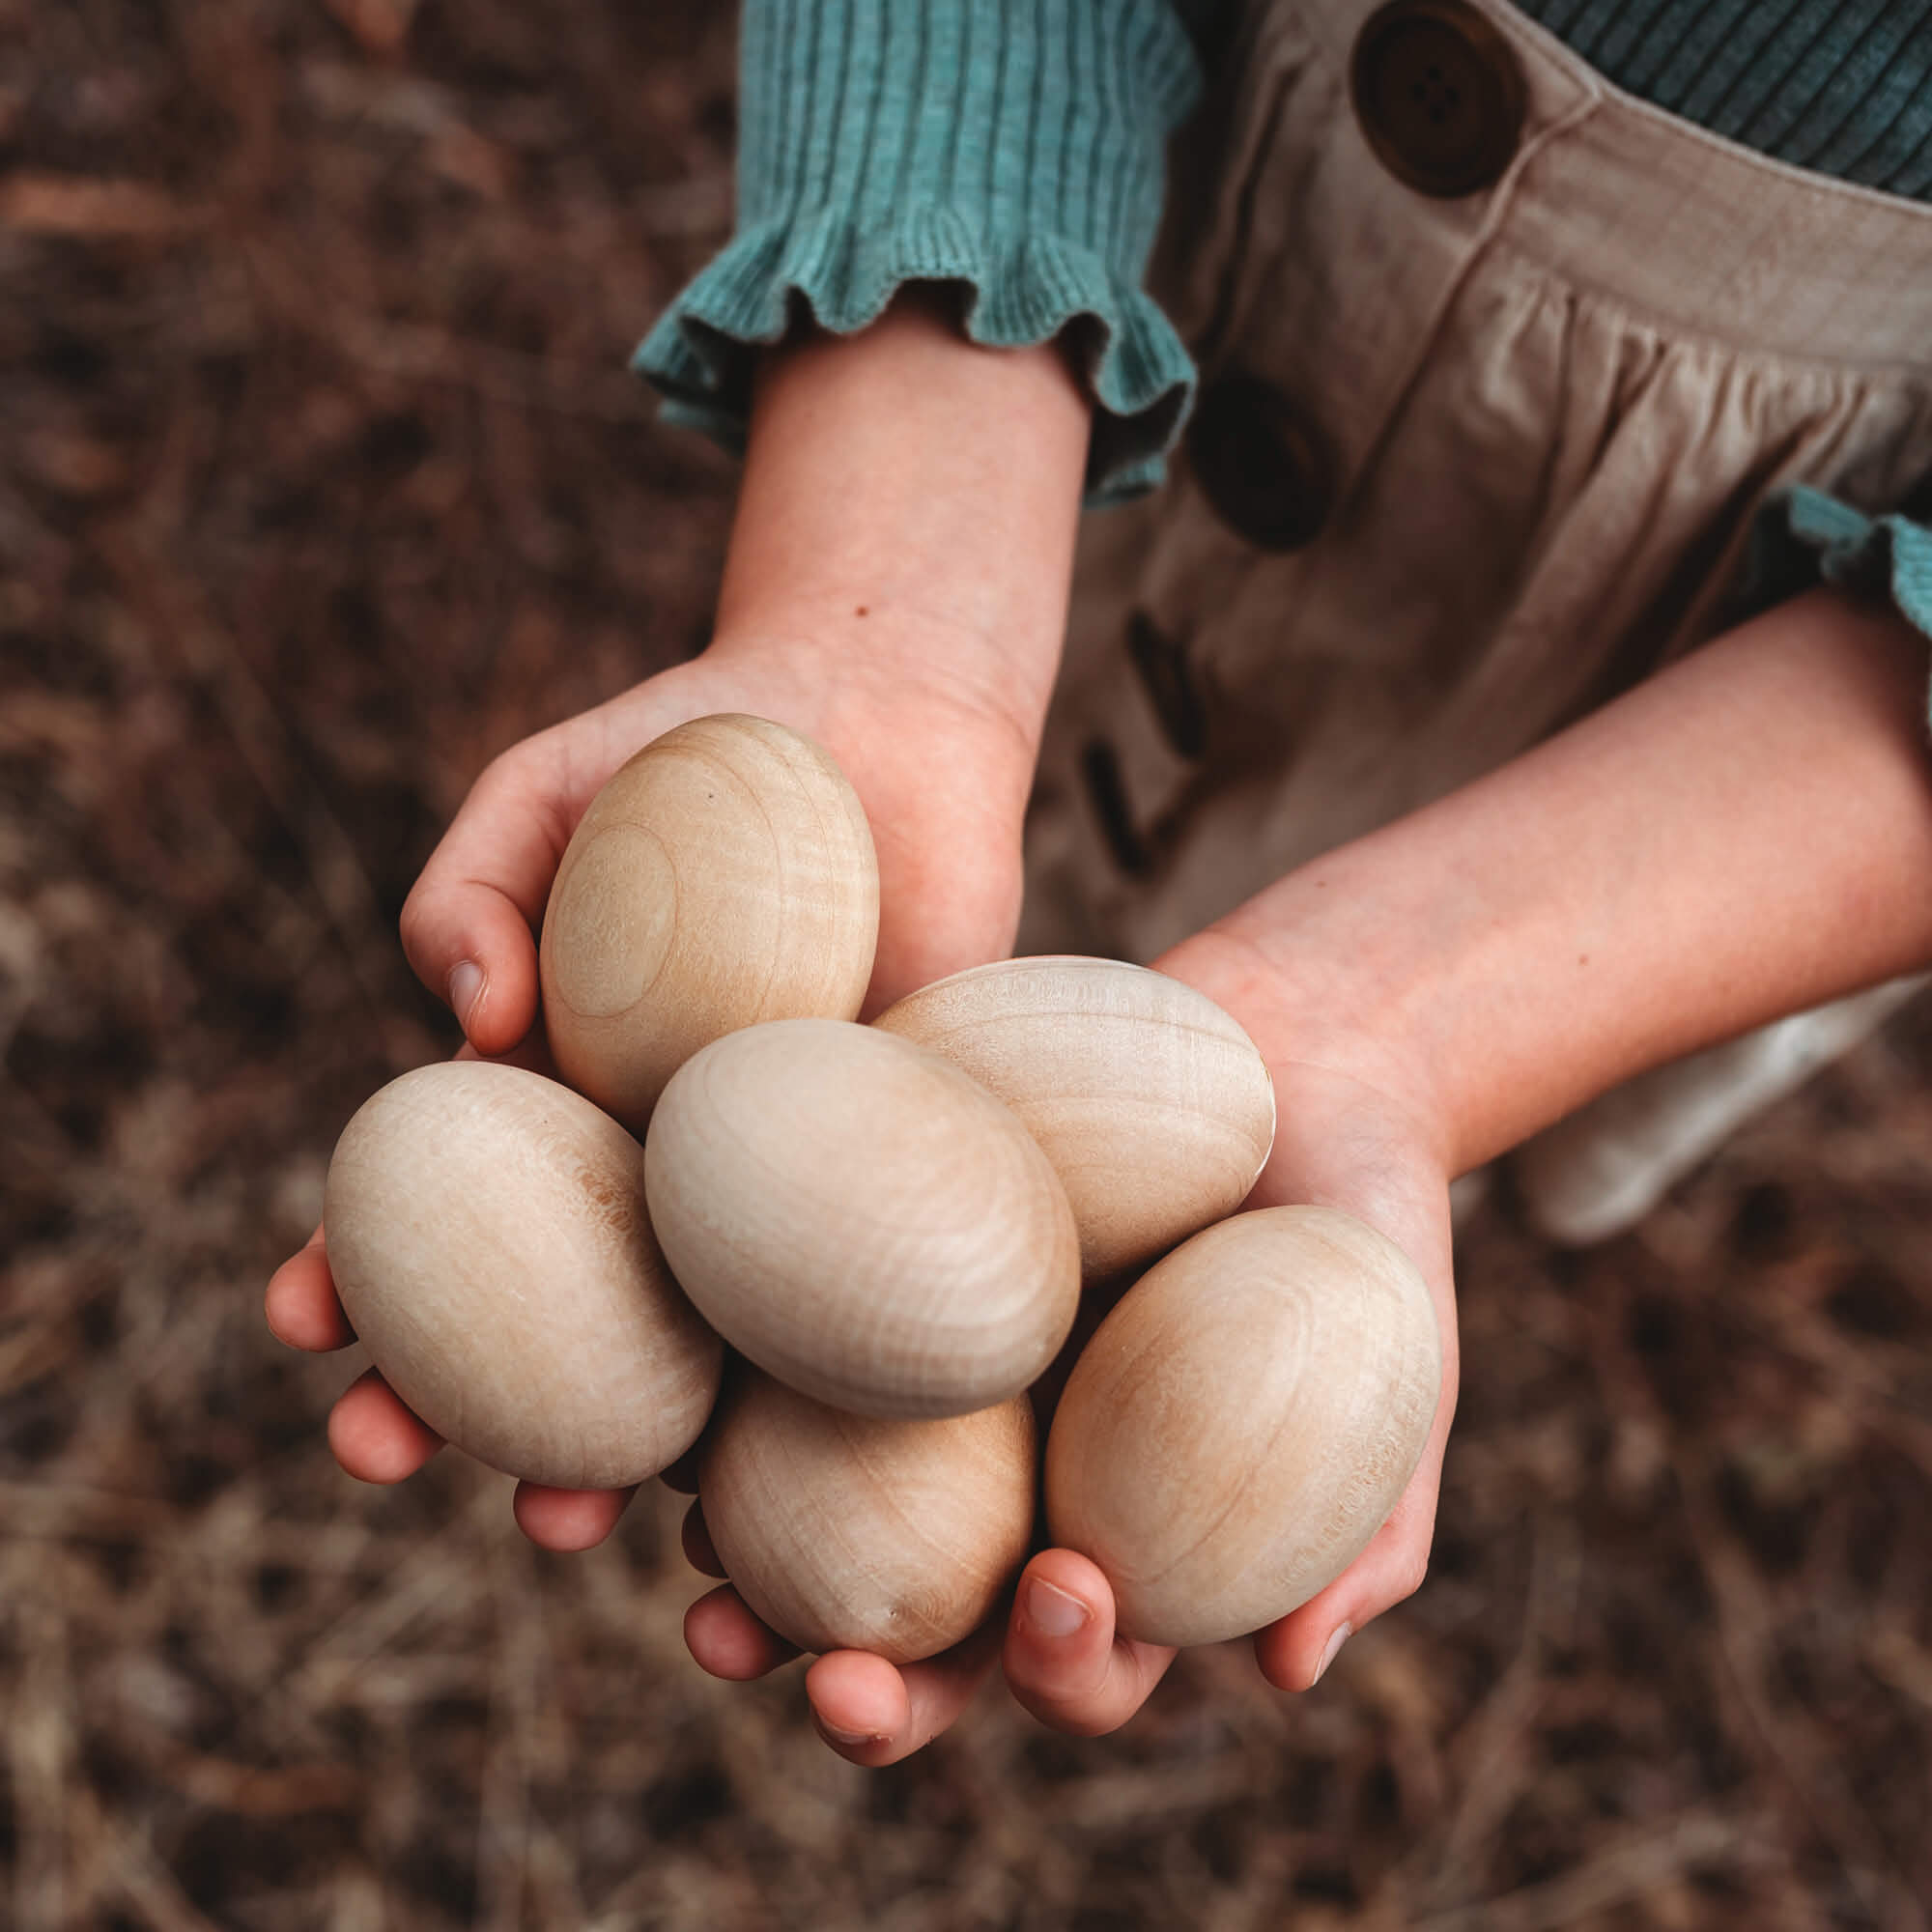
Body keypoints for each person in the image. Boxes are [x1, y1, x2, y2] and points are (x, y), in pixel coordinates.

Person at [266, 0, 1932, 1767]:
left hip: (1726, 736)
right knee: (965, 945)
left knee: (1088, 1096)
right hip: (1091, 337)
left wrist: (1420, 1014)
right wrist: (888, 598)